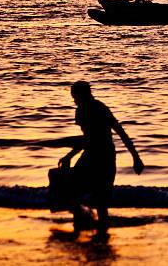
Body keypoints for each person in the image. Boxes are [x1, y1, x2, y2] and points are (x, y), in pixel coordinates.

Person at [58, 81, 144, 237]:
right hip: (92, 155)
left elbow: (120, 132)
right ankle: (85, 224)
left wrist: (136, 157)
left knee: (100, 200)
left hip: (104, 157)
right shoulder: (81, 110)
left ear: (83, 94)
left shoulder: (100, 108)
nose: (74, 100)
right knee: (73, 191)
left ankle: (99, 232)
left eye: (75, 96)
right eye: (73, 97)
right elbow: (88, 138)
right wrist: (69, 156)